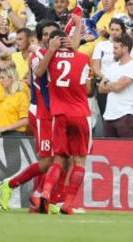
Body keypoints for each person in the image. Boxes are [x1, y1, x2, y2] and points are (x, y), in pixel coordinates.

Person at [0, 20, 60, 212]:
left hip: (57, 113)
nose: (50, 37)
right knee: (49, 160)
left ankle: (44, 199)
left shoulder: (58, 56)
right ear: (41, 38)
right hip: (41, 112)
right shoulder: (36, 55)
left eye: (53, 34)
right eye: (46, 34)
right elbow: (40, 71)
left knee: (58, 160)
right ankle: (18, 188)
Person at [34, 30, 92, 215]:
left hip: (58, 114)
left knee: (58, 159)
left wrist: (51, 51)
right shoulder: (83, 58)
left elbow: (38, 73)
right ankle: (68, 203)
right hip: (80, 113)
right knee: (80, 160)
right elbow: (88, 89)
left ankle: (45, 192)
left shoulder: (49, 57)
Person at [98, 34, 133, 138]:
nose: (113, 51)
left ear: (125, 48)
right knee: (109, 152)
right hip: (109, 115)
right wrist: (114, 84)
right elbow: (100, 89)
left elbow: (118, 87)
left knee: (127, 152)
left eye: (116, 48)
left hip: (125, 115)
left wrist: (108, 84)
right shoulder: (113, 66)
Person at [92, 18, 130, 113]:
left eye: (117, 30)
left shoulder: (128, 47)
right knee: (105, 115)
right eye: (112, 29)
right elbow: (96, 67)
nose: (114, 32)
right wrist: (105, 78)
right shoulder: (101, 45)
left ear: (122, 31)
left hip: (121, 86)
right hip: (104, 86)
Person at [0, 68, 29, 135]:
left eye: (3, 78)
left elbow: (25, 120)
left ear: (12, 78)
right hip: (3, 134)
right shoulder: (6, 97)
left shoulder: (21, 96)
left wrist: (6, 128)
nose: (0, 81)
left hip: (15, 135)